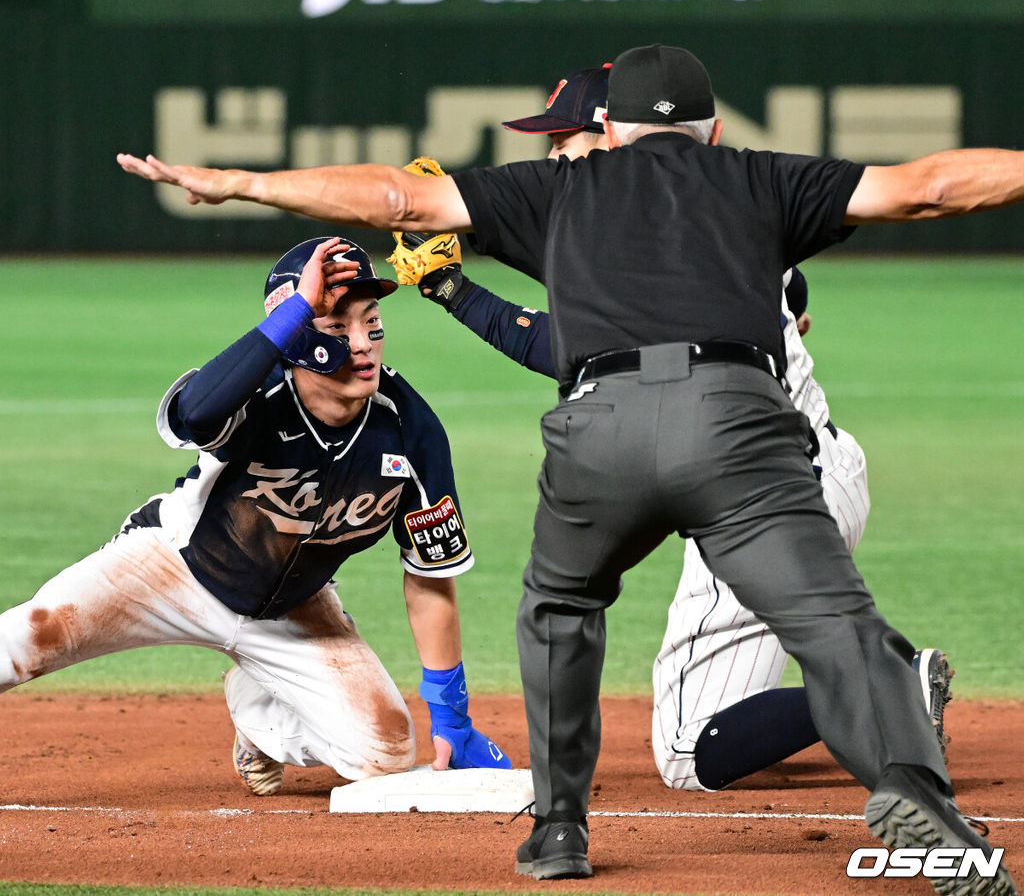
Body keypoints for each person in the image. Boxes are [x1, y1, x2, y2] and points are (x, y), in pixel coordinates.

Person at [116, 44, 1024, 894]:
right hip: (739, 430)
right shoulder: (763, 177)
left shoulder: (560, 190)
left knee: (560, 609)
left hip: (603, 430)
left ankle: (559, 828)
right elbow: (933, 186)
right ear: (711, 129)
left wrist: (234, 181)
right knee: (834, 623)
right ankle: (929, 810)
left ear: (613, 130)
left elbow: (397, 198)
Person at [393, 70, 952, 794]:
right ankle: (875, 685)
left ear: (615, 133)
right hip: (780, 464)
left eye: (564, 140)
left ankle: (893, 689)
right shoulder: (686, 209)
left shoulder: (635, 219)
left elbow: (559, 347)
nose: (555, 158)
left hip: (760, 485)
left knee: (689, 752)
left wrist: (452, 292)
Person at [0, 236, 510, 799]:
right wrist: (295, 314)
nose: (363, 346)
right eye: (338, 328)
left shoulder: (409, 430)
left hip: (294, 610)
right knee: (27, 638)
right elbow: (196, 413)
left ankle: (259, 722)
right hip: (171, 568)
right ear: (296, 334)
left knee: (384, 754)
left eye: (372, 323)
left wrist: (451, 716)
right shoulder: (259, 392)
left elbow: (429, 577)